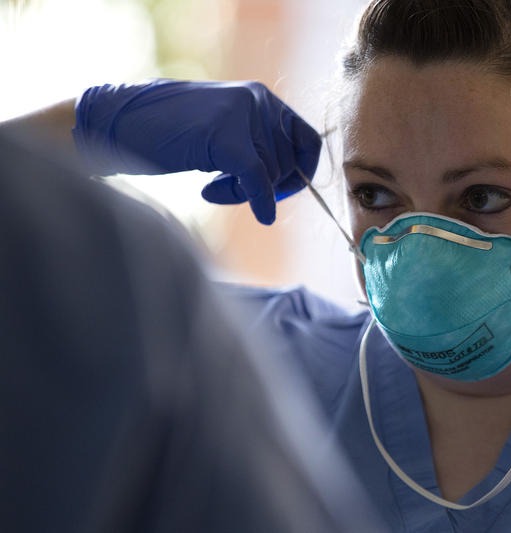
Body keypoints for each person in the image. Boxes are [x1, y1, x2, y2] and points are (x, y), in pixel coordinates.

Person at [3, 0, 511, 531]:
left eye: (484, 196)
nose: (417, 250)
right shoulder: (232, 363)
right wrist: (85, 131)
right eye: (376, 193)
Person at [0, 129, 386, 532]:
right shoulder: (260, 341)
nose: (419, 241)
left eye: (463, 200)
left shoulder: (134, 287)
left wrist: (76, 127)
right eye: (373, 194)